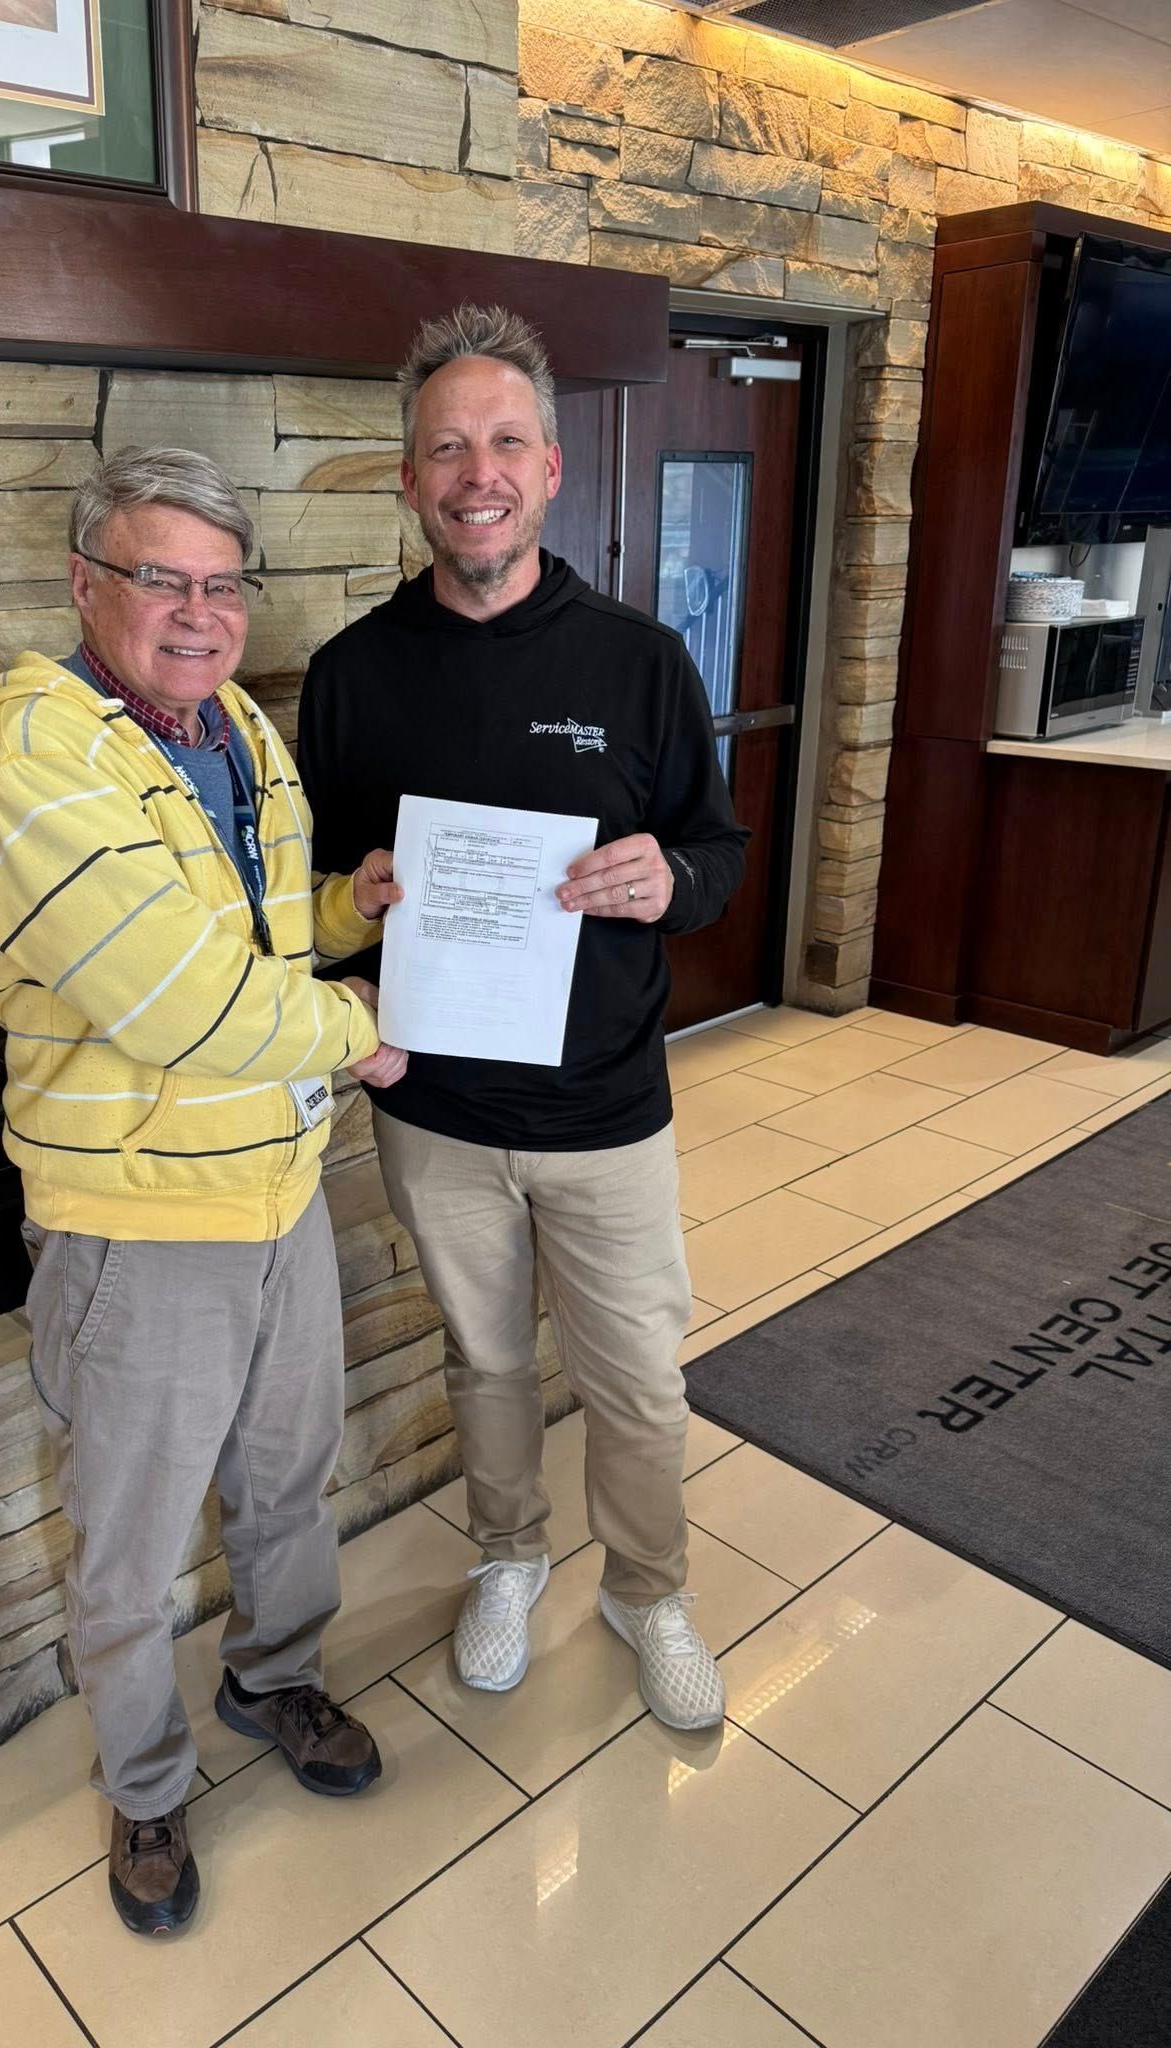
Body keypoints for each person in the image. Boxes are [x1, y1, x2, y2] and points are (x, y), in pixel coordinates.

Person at [0, 446, 406, 1938]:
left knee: (289, 1477)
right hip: (139, 1225)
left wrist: (357, 907)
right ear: (88, 581)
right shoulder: (44, 748)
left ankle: (275, 1681)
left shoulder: (240, 733)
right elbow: (171, 997)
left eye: (224, 586)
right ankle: (147, 1788)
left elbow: (265, 943)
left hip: (277, 1191)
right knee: (137, 1538)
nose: (200, 613)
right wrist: (360, 1037)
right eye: (164, 579)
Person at [299, 306, 749, 1731]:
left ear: (552, 468)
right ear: (410, 477)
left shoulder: (639, 661)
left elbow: (718, 853)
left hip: (605, 1107)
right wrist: (351, 904)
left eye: (504, 442)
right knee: (486, 1365)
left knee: (636, 1381)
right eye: (446, 447)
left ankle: (648, 1587)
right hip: (433, 1110)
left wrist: (663, 877)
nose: (474, 471)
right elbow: (307, 891)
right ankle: (508, 1556)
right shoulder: (354, 674)